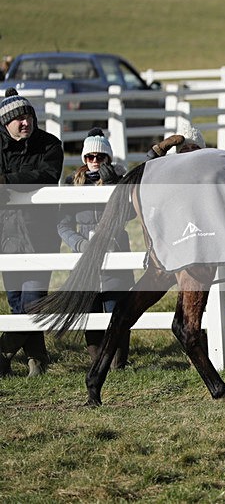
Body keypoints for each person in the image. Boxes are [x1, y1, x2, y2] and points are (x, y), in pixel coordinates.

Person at [57, 128, 134, 369]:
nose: (94, 162)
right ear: (84, 158)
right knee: (89, 309)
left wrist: (114, 187)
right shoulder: (72, 184)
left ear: (108, 159)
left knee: (116, 308)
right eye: (90, 157)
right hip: (85, 255)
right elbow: (63, 223)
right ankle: (97, 360)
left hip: (114, 252)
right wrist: (79, 243)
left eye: (100, 157)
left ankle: (118, 362)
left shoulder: (119, 180)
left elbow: (130, 213)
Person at [0, 88, 64, 377]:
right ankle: (37, 360)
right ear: (6, 123)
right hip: (7, 235)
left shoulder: (49, 145)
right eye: (18, 119)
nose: (25, 122)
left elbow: (46, 176)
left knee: (33, 300)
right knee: (15, 301)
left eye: (29, 117)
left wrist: (5, 181)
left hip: (40, 233)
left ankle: (3, 353)